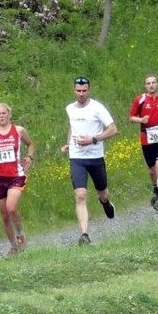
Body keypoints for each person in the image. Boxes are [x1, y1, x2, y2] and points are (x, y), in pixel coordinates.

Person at [60, 77, 118, 245]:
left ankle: (105, 203)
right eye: (78, 91)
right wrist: (68, 143)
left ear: (89, 90)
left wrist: (93, 139)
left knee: (102, 193)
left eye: (84, 91)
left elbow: (113, 129)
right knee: (80, 195)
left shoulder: (97, 108)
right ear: (74, 90)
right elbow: (72, 127)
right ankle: (84, 235)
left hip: (95, 157)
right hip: (77, 158)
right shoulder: (70, 108)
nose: (81, 94)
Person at [0, 103, 35, 256]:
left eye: (4, 113)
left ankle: (20, 235)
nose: (1, 116)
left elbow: (30, 144)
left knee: (11, 208)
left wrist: (29, 157)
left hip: (16, 175)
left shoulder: (19, 130)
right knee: (4, 216)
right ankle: (14, 246)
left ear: (9, 114)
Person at [128, 74, 158, 212]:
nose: (151, 85)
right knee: (152, 170)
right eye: (148, 83)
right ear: (145, 86)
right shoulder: (140, 99)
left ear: (157, 84)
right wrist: (141, 120)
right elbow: (131, 117)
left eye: (153, 82)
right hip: (147, 138)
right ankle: (155, 188)